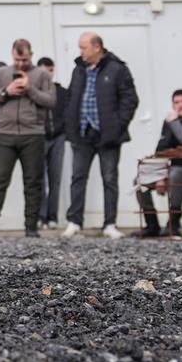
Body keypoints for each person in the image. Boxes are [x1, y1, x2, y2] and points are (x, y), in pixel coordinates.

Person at [62, 32, 139, 240]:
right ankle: (75, 222)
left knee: (110, 178)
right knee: (78, 177)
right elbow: (70, 98)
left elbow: (130, 99)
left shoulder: (118, 69)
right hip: (82, 134)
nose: (81, 52)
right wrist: (71, 125)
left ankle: (110, 224)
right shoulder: (78, 70)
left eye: (83, 47)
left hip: (108, 136)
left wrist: (118, 125)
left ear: (97, 47)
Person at [0, 40, 56, 238]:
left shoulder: (42, 75)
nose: (21, 63)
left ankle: (31, 226)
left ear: (31, 54)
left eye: (25, 59)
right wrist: (6, 91)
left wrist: (30, 89)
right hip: (5, 135)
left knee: (33, 182)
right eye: (17, 59)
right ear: (12, 55)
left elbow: (51, 101)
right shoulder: (2, 73)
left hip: (33, 135)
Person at [133, 89, 182, 238]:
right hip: (171, 170)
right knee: (140, 180)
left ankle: (174, 224)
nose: (180, 105)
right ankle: (152, 225)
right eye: (176, 102)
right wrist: (159, 175)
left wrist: (175, 124)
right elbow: (161, 149)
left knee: (175, 175)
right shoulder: (170, 123)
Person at [37, 56, 68, 230]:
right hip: (40, 137)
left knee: (55, 178)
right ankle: (41, 216)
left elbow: (68, 112)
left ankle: (52, 217)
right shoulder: (34, 92)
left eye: (50, 70)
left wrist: (62, 129)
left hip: (58, 138)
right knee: (40, 180)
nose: (47, 74)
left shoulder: (62, 92)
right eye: (43, 71)